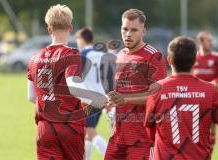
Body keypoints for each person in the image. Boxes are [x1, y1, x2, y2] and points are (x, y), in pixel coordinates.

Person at [145, 36, 218, 160]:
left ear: (169, 60)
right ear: (195, 60)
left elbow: (149, 131)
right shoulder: (210, 90)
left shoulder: (156, 89)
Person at [104, 8, 167, 159]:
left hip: (143, 139)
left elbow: (158, 97)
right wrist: (110, 99)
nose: (128, 34)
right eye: (125, 29)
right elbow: (120, 91)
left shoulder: (154, 56)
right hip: (118, 136)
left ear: (143, 31)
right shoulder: (120, 55)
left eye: (134, 30)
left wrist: (125, 99)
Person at [27, 4, 85, 160]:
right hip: (69, 126)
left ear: (49, 29)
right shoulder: (72, 54)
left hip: (45, 128)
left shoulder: (34, 58)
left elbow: (31, 97)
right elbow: (74, 87)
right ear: (70, 28)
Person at [75, 27, 116, 160]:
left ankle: (110, 157)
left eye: (77, 40)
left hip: (87, 98)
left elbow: (76, 78)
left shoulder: (82, 54)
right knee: (86, 135)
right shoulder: (102, 54)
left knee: (90, 132)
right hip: (101, 98)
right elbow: (109, 77)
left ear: (81, 39)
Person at [192, 30, 218, 152]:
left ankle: (209, 154)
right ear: (200, 42)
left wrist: (215, 81)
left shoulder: (217, 57)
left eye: (211, 41)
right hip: (195, 98)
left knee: (212, 126)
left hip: (211, 97)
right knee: (196, 128)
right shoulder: (193, 57)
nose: (211, 43)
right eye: (209, 41)